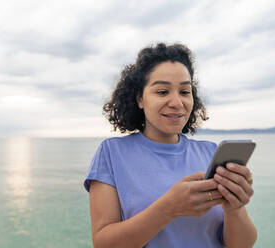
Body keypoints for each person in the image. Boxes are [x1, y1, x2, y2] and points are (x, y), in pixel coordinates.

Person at [84, 43, 257, 248]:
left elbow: (242, 245)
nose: (177, 102)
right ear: (140, 98)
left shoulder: (210, 152)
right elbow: (103, 244)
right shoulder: (112, 153)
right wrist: (168, 208)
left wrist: (235, 208)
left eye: (185, 91)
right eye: (163, 91)